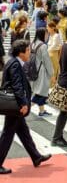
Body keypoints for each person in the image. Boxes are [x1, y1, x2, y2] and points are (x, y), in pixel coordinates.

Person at [0, 40, 52, 174]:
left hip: (14, 104)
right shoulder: (15, 64)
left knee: (23, 131)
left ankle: (36, 156)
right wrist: (23, 103)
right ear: (21, 52)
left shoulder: (14, 62)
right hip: (15, 104)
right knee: (8, 134)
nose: (30, 52)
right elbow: (17, 85)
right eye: (28, 50)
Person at [29, 28, 53, 116]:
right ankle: (26, 108)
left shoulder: (33, 43)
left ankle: (42, 111)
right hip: (41, 71)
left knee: (40, 90)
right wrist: (51, 72)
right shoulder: (43, 46)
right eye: (46, 34)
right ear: (42, 34)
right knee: (42, 92)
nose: (48, 36)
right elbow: (46, 60)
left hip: (33, 70)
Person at [47, 21, 63, 86]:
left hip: (54, 54)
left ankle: (53, 85)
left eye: (48, 27)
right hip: (50, 54)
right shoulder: (51, 35)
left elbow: (54, 46)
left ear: (52, 28)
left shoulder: (56, 36)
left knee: (54, 71)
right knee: (51, 70)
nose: (47, 28)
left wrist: (46, 51)